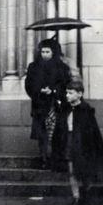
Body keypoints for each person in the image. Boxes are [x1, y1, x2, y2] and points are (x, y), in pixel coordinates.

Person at [52, 80, 103, 205]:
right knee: (72, 171)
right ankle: (76, 197)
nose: (67, 95)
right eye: (66, 93)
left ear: (79, 94)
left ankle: (84, 195)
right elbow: (61, 127)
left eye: (70, 93)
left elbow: (92, 132)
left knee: (84, 171)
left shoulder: (86, 111)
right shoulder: (65, 109)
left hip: (83, 145)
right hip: (69, 141)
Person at [25, 38, 71, 169]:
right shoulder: (33, 67)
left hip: (55, 104)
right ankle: (44, 158)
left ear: (53, 52)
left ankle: (56, 159)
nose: (44, 54)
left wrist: (54, 90)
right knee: (42, 133)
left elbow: (66, 85)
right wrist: (39, 90)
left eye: (47, 52)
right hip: (40, 104)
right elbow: (28, 85)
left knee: (57, 132)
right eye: (42, 51)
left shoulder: (62, 67)